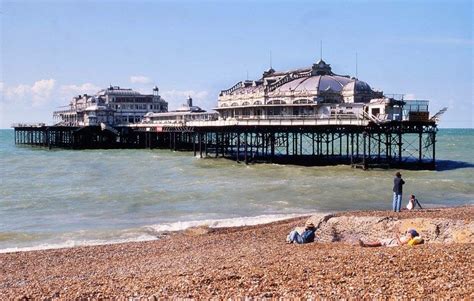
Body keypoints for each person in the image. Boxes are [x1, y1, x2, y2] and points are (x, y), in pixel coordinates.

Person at [359, 229, 423, 247]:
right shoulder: (407, 238)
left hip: (395, 242)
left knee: (380, 243)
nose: (407, 235)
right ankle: (366, 244)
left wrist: (397, 238)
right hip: (393, 240)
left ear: (411, 237)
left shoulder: (408, 240)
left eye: (409, 235)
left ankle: (366, 245)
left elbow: (400, 245)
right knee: (379, 242)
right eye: (407, 234)